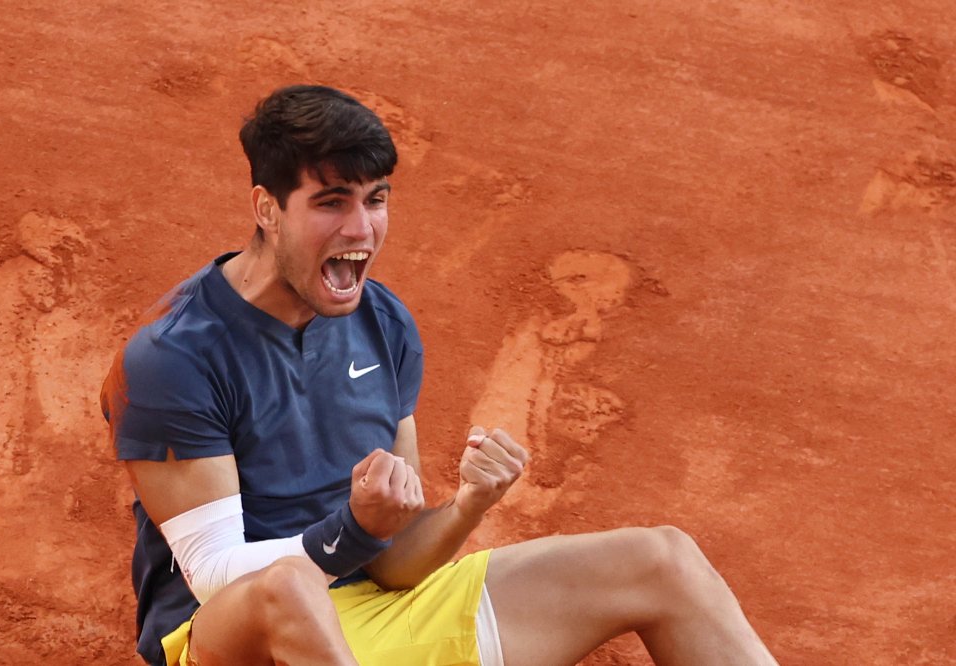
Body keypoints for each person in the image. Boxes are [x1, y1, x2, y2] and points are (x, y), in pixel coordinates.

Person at [101, 84, 779, 666]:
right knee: (291, 587)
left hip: (369, 618)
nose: (361, 228)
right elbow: (217, 579)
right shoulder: (176, 357)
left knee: (663, 560)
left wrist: (467, 506)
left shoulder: (382, 324)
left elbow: (395, 565)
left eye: (376, 199)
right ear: (267, 209)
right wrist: (354, 529)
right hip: (228, 638)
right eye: (332, 202)